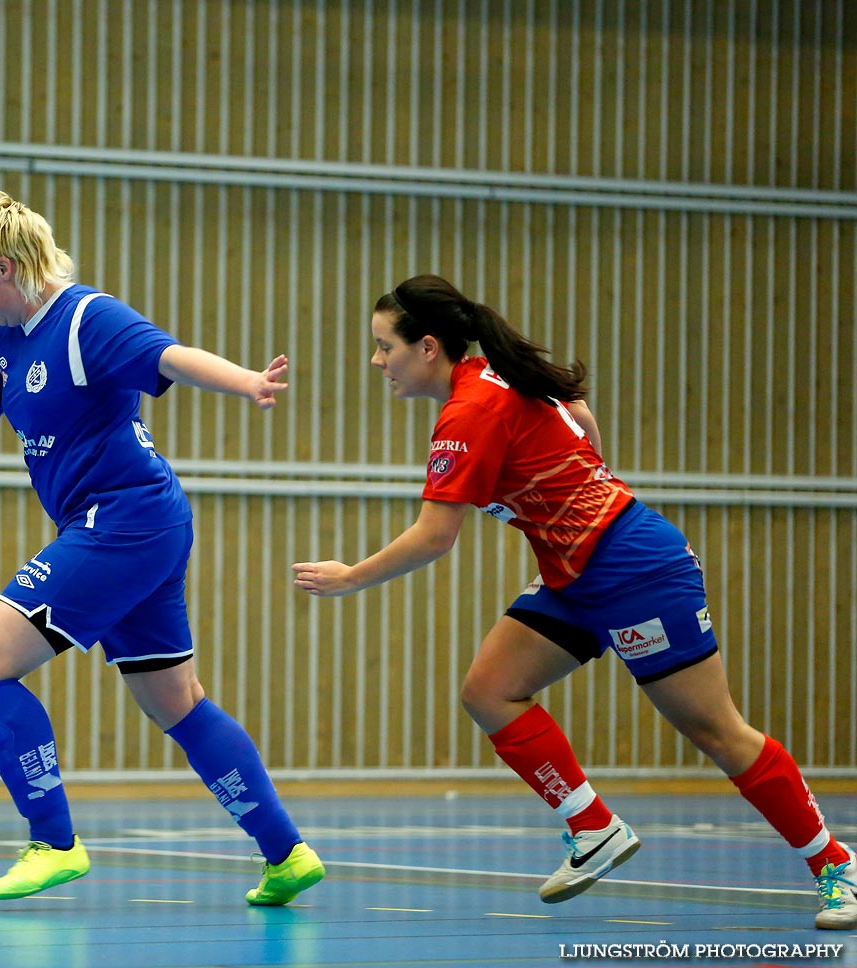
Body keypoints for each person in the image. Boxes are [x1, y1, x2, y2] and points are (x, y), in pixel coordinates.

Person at [290, 274, 854, 930]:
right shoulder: (493, 376)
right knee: (489, 690)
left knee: (716, 731)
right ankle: (593, 827)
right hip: (575, 574)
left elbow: (435, 537)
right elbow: (578, 414)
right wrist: (585, 478)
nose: (376, 361)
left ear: (428, 347)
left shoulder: (468, 411)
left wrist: (351, 576)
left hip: (636, 570)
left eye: (384, 347)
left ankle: (836, 865)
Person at [0, 189, 324, 905]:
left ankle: (54, 842)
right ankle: (287, 855)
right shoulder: (5, 336)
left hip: (120, 521)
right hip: (136, 526)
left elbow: (170, 356)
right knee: (174, 699)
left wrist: (246, 382)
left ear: (4, 265)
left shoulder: (85, 317)